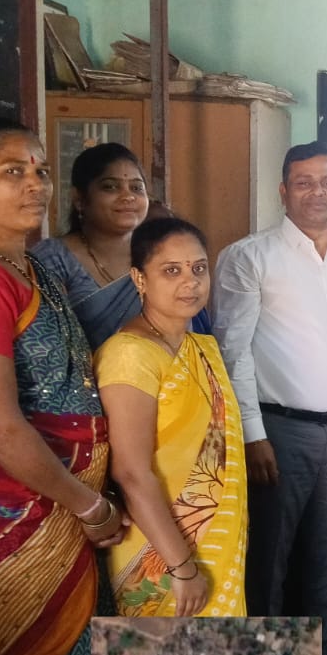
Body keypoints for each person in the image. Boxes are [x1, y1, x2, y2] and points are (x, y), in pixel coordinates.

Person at [0, 117, 128, 655]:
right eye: (12, 171)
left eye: (39, 169)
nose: (34, 183)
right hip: (19, 516)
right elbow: (0, 426)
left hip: (64, 509)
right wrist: (88, 504)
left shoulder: (29, 267)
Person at [212, 141, 327, 655]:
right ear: (283, 191)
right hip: (278, 429)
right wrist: (252, 434)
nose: (317, 193)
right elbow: (232, 352)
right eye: (304, 182)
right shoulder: (249, 257)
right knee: (269, 552)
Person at [95, 218, 247, 618]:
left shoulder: (202, 347)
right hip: (163, 555)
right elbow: (131, 473)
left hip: (217, 543)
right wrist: (181, 566)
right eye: (171, 271)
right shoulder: (130, 354)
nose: (190, 282)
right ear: (139, 278)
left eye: (198, 268)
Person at [31, 143, 212, 350]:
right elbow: (44, 342)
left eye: (136, 188)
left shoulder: (163, 254)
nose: (128, 196)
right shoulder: (54, 258)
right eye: (110, 187)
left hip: (168, 367)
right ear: (79, 199)